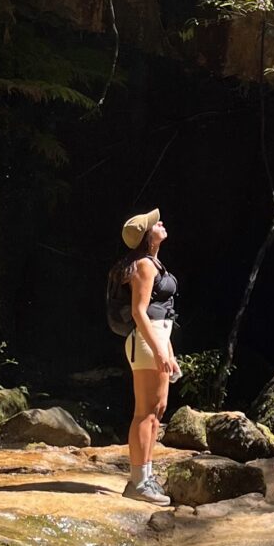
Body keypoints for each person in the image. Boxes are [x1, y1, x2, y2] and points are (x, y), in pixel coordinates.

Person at [109, 208, 180, 505]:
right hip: (148, 341)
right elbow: (140, 312)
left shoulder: (152, 262)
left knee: (158, 409)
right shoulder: (143, 266)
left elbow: (163, 313)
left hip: (157, 339)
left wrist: (170, 352)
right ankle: (138, 482)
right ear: (147, 236)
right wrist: (161, 349)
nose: (160, 223)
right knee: (145, 412)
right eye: (155, 224)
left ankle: (146, 477)